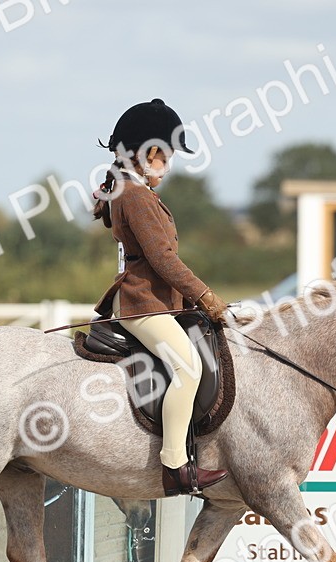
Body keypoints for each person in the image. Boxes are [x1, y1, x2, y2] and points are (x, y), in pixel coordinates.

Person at [91, 98, 229, 497]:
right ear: (147, 152)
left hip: (156, 302)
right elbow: (163, 260)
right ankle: (175, 467)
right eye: (165, 156)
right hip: (142, 304)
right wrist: (204, 295)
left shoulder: (132, 190)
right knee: (188, 369)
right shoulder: (134, 195)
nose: (168, 166)